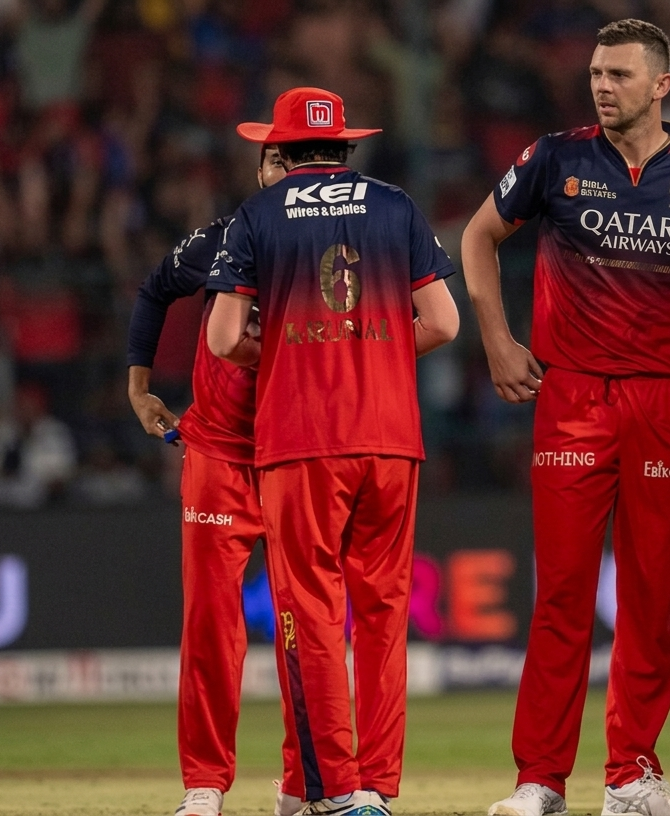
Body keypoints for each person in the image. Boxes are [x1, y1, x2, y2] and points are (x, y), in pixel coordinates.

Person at [460, 18, 670, 816]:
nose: (601, 85)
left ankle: (632, 775)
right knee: (562, 595)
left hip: (665, 400)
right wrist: (498, 341)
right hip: (574, 398)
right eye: (595, 72)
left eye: (618, 74)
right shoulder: (556, 157)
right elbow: (478, 237)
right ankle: (539, 781)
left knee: (652, 598)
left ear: (661, 85)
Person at [206, 86, 460, 816]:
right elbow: (443, 323)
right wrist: (372, 350)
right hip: (391, 439)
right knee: (383, 615)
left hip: (302, 442)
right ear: (345, 146)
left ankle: (336, 791)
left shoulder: (258, 215)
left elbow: (223, 339)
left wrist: (290, 352)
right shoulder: (395, 205)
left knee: (310, 614)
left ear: (280, 153)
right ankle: (375, 788)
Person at [125, 145, 296, 816]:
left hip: (301, 454)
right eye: (275, 161)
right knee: (210, 627)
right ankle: (204, 785)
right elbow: (155, 289)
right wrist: (139, 388)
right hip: (220, 458)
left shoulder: (348, 246)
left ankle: (306, 781)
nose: (286, 173)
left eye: (298, 161)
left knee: (307, 624)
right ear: (259, 171)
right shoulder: (223, 238)